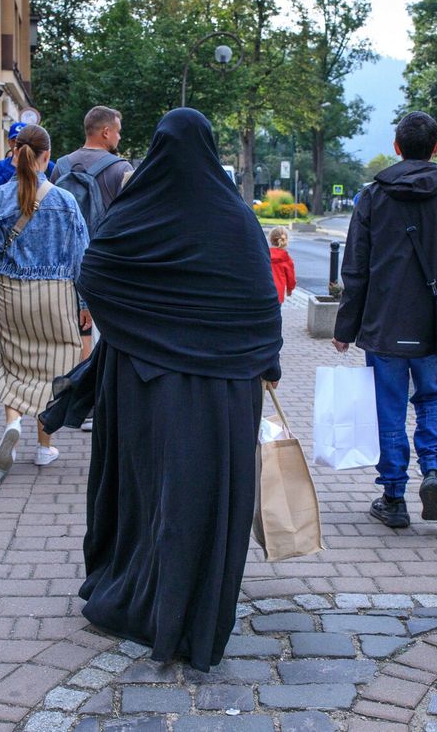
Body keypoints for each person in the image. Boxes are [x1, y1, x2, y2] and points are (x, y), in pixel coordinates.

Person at [75, 108, 282, 672]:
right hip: (223, 393)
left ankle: (139, 595)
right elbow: (263, 303)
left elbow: (93, 272)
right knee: (205, 500)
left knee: (148, 494)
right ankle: (197, 614)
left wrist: (144, 331)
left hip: (146, 384)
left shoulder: (136, 209)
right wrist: (262, 359)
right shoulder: (236, 217)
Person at [332, 111, 437, 529]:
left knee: (387, 407)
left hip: (383, 321)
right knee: (432, 397)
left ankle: (393, 497)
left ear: (397, 147)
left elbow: (354, 268)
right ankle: (435, 472)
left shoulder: (371, 197)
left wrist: (344, 328)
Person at [0, 124, 90, 470]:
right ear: (47, 156)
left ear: (14, 153)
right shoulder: (65, 200)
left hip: (12, 293)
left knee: (14, 363)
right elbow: (81, 257)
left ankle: (12, 423)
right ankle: (44, 447)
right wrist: (85, 304)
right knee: (54, 369)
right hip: (56, 295)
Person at [51, 106, 134, 366]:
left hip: (64, 264)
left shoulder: (60, 167)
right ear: (106, 132)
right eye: (118, 132)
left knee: (73, 333)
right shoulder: (121, 169)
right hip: (105, 263)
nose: (119, 137)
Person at [0, 122, 55, 192]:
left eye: (23, 142)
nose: (18, 145)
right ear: (9, 142)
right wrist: (12, 167)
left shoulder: (45, 163)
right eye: (14, 141)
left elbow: (58, 187)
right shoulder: (0, 166)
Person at [269, 226, 297, 303]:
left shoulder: (265, 254)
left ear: (270, 239)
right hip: (278, 292)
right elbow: (291, 277)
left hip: (264, 290)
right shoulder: (286, 258)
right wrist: (289, 289)